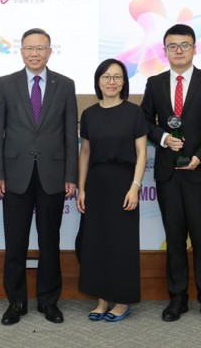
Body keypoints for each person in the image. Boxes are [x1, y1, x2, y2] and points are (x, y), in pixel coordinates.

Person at [140, 24, 201, 326]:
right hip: (168, 172)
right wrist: (163, 138)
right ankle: (177, 297)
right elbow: (143, 121)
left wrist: (200, 156)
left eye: (185, 45)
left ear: (195, 48)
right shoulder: (154, 83)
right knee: (174, 237)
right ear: (164, 50)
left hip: (199, 172)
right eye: (172, 45)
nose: (179, 50)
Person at [0, 28, 78, 325]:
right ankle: (16, 302)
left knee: (50, 242)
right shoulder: (5, 84)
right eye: (30, 48)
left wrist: (71, 175)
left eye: (41, 48)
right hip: (15, 175)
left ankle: (48, 301)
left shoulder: (65, 85)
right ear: (21, 51)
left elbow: (69, 134)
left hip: (53, 174)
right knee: (15, 243)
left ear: (50, 51)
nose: (35, 53)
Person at [76, 59, 147, 322]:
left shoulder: (134, 113)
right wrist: (81, 188)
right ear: (98, 81)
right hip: (96, 184)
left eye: (117, 77)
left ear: (124, 83)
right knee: (96, 243)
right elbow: (85, 152)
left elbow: (141, 153)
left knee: (122, 244)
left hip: (124, 184)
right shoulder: (89, 114)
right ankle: (102, 299)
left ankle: (123, 300)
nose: (112, 82)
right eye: (106, 77)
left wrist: (135, 186)